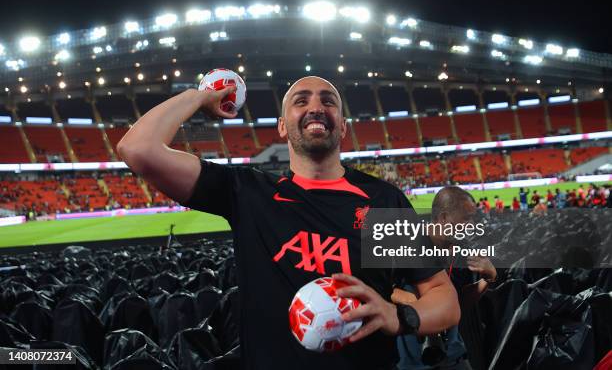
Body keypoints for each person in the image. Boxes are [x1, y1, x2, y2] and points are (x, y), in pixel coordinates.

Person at [117, 76, 460, 369]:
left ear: (343, 126)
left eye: (329, 101)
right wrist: (201, 95)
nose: (315, 107)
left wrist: (398, 317)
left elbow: (443, 296)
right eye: (301, 100)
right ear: (282, 126)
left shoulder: (382, 202)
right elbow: (138, 148)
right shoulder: (248, 193)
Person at [393, 187, 497, 370]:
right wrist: (411, 299)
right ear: (444, 218)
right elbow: (381, 289)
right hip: (415, 362)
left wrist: (488, 279)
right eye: (466, 218)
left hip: (454, 356)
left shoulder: (464, 252)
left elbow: (458, 304)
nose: (472, 224)